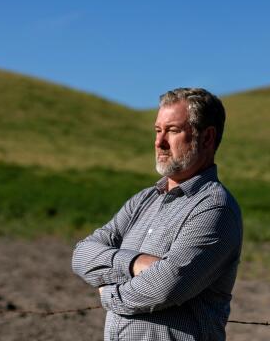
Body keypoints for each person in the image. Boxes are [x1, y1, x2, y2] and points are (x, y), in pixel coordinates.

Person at [72, 87, 243, 341]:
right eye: (157, 130)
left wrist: (109, 293)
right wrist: (134, 263)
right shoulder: (144, 199)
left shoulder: (215, 208)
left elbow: (165, 286)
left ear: (206, 138)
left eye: (173, 130)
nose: (159, 142)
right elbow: (81, 254)